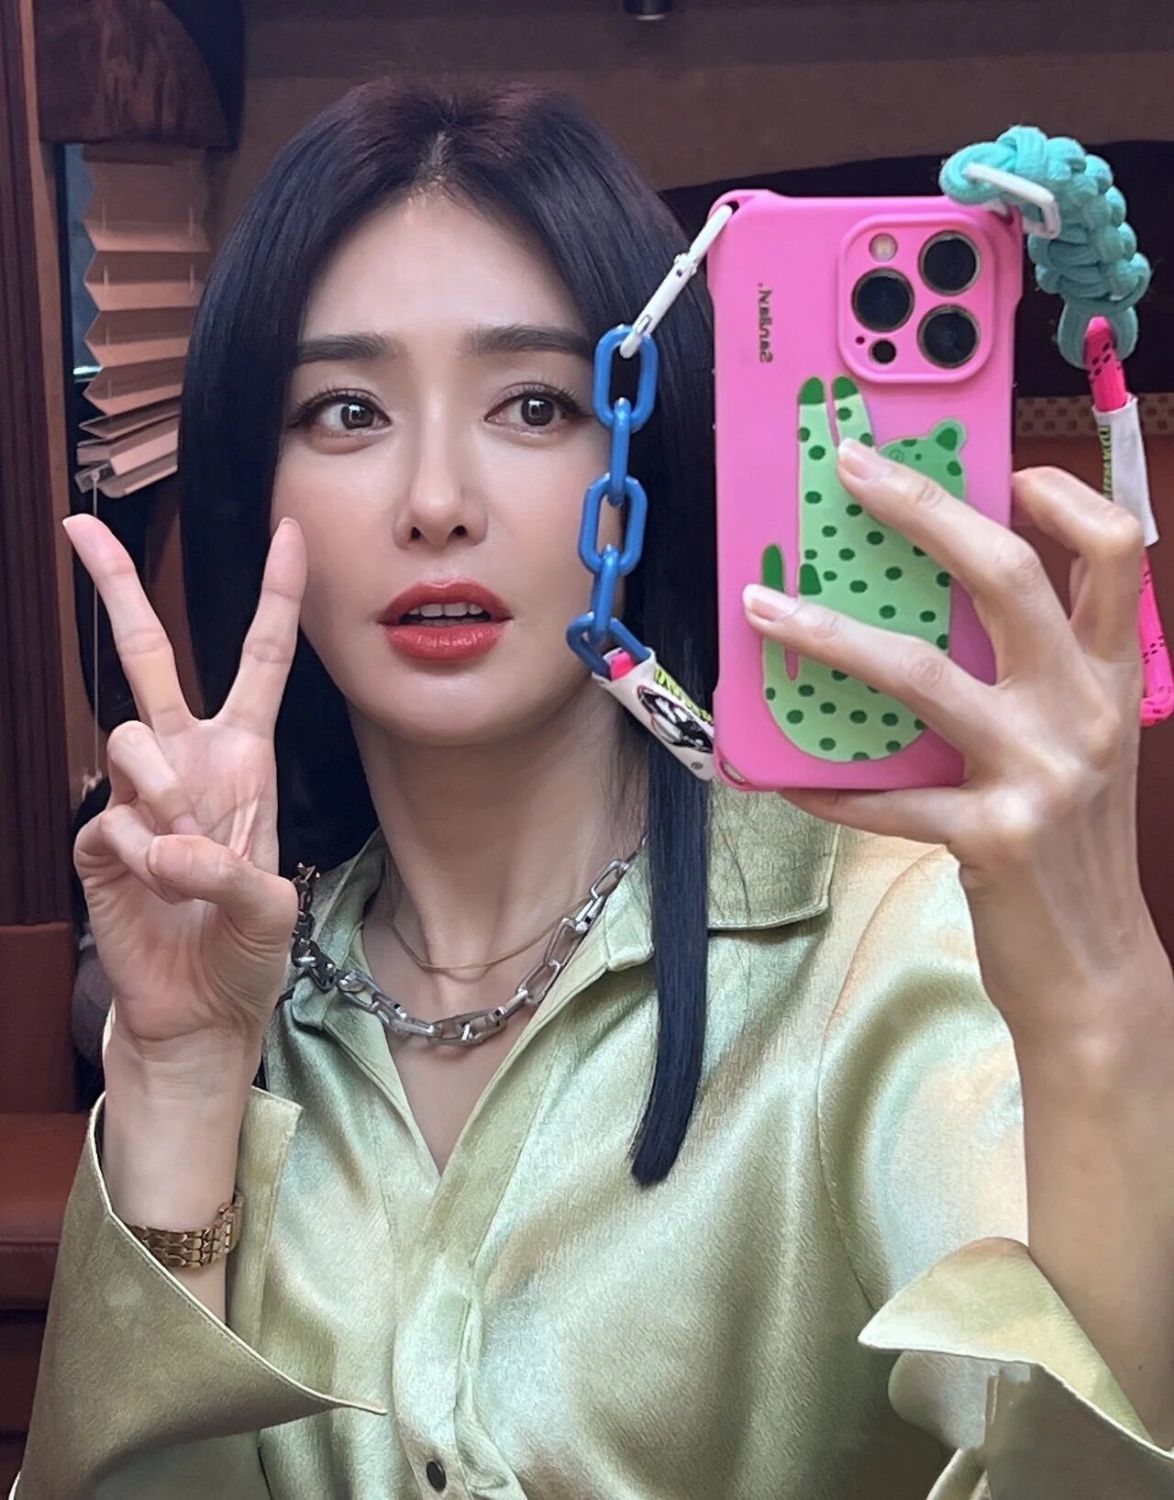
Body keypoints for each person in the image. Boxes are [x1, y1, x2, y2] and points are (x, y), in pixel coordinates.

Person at [15, 80, 1174, 1499]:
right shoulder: (248, 987)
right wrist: (182, 1077)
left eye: (534, 403)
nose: (436, 500)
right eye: (348, 410)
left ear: (643, 443)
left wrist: (1097, 987)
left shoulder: (883, 954)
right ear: (256, 489)